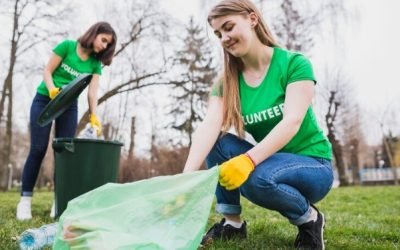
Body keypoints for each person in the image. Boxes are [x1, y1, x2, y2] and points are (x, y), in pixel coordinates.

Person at [182, 0, 333, 249]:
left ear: (252, 19)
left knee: (256, 179)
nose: (224, 38)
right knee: (216, 142)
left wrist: (249, 160)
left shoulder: (294, 64)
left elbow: (292, 121)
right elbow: (209, 126)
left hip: (313, 165)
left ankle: (310, 220)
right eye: (218, 33)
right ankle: (232, 223)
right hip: (270, 160)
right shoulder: (227, 82)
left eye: (229, 27)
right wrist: (185, 180)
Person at [16, 22, 117, 220]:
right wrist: (52, 88)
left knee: (63, 155)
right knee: (38, 149)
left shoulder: (95, 64)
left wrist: (93, 115)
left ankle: (59, 202)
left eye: (108, 44)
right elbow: (47, 71)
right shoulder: (67, 47)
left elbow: (93, 92)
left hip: (68, 106)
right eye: (104, 40)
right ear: (94, 34)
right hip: (45, 100)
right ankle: (25, 202)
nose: (104, 46)